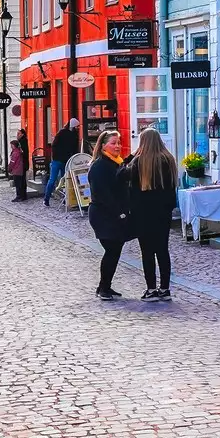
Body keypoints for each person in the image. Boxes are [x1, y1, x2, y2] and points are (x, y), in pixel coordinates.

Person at [122, 127, 179, 301]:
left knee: (147, 251)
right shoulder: (168, 160)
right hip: (163, 213)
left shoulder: (139, 162)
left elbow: (121, 175)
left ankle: (151, 289)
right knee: (162, 250)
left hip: (143, 213)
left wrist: (131, 156)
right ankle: (165, 289)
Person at [85, 128, 131, 300]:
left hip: (111, 213)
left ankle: (105, 286)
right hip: (103, 214)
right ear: (104, 146)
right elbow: (103, 194)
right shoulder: (99, 166)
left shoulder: (115, 162)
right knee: (112, 250)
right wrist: (120, 213)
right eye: (113, 143)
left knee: (115, 250)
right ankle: (103, 288)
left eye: (119, 142)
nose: (117, 146)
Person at [42, 116, 80, 207]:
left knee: (55, 179)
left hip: (60, 160)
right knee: (63, 180)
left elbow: (54, 145)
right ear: (73, 126)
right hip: (63, 160)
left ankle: (47, 199)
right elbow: (74, 149)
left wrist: (55, 156)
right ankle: (56, 199)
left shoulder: (62, 132)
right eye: (77, 126)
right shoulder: (73, 135)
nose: (78, 128)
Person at [8, 131, 30, 201]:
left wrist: (9, 168)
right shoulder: (20, 147)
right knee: (21, 182)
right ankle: (23, 195)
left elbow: (13, 161)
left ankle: (20, 196)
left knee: (19, 183)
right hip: (21, 167)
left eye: (18, 134)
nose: (17, 135)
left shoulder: (21, 144)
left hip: (19, 168)